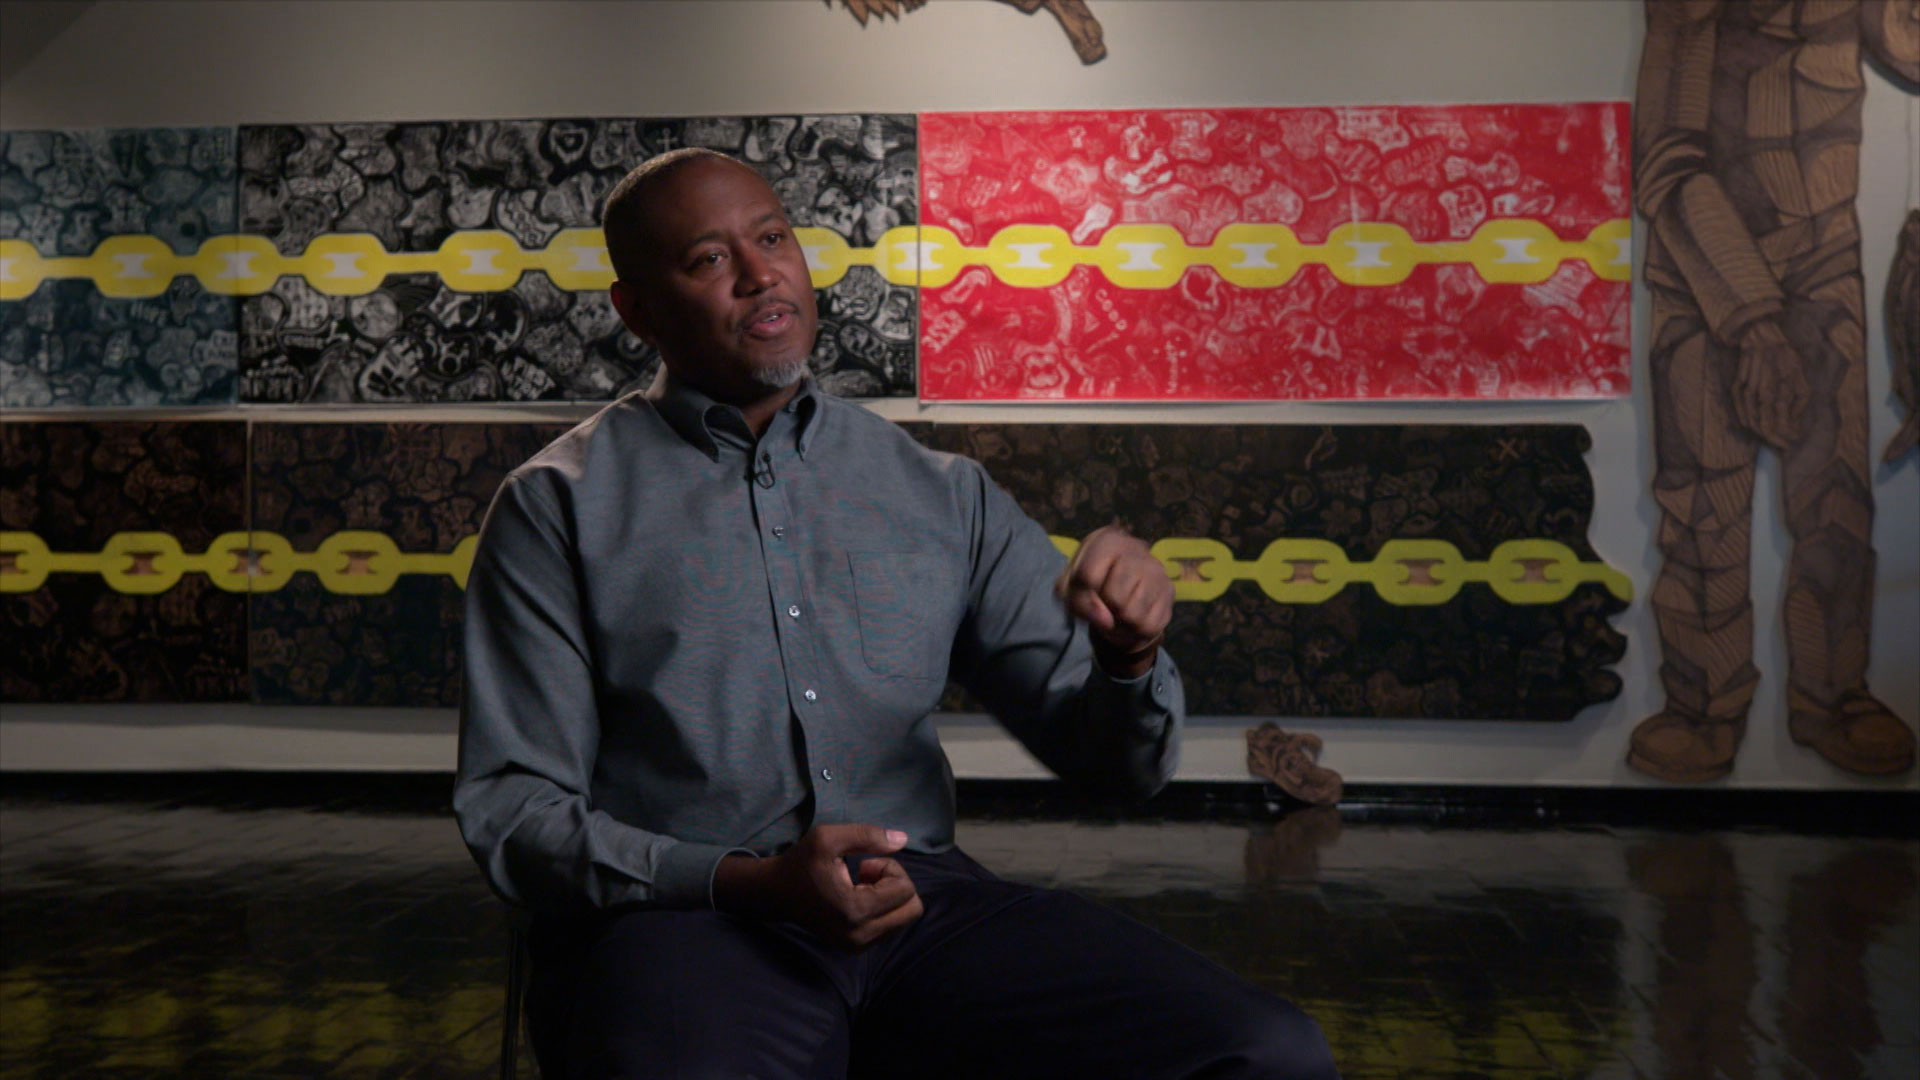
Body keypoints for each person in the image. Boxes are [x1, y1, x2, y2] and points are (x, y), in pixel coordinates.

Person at [452, 147, 1338, 1079]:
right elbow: (515, 814)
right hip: (692, 921)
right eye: (710, 259)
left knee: (1268, 1051)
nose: (762, 274)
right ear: (635, 309)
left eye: (773, 237)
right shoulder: (555, 506)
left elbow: (1117, 769)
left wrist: (1128, 660)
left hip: (924, 910)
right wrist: (746, 882)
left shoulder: (944, 493)